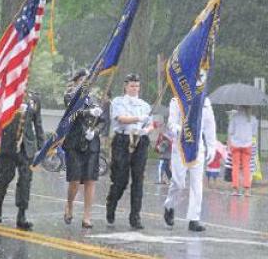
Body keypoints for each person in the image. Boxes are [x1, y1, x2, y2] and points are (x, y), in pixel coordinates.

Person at [106, 73, 153, 230]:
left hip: (140, 141)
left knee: (138, 180)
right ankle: (111, 203)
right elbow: (120, 118)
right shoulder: (118, 102)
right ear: (126, 86)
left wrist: (147, 128)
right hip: (123, 140)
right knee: (121, 179)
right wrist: (138, 119)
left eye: (137, 86)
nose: (135, 89)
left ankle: (135, 216)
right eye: (132, 85)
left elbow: (150, 125)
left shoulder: (145, 105)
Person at [0, 91, 45, 230]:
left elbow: (37, 123)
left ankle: (21, 215)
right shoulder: (5, 94)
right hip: (8, 144)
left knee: (25, 181)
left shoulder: (34, 98)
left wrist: (42, 146)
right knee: (5, 178)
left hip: (26, 146)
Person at [163, 97, 216, 232]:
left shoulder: (204, 101)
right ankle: (170, 205)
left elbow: (210, 125)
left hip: (197, 147)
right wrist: (182, 129)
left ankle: (194, 219)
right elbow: (171, 124)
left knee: (197, 184)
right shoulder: (177, 99)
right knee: (178, 182)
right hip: (180, 146)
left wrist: (211, 146)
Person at [62, 69, 104, 229]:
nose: (86, 83)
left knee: (90, 180)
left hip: (91, 143)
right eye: (83, 80)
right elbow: (72, 113)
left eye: (89, 80)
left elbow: (102, 120)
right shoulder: (70, 96)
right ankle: (70, 204)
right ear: (77, 81)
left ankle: (87, 216)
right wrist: (88, 112)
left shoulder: (94, 99)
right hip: (74, 142)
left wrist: (95, 131)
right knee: (74, 180)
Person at [228, 106, 257, 196]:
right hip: (247, 145)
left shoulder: (234, 117)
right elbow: (254, 133)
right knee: (246, 167)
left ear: (239, 107)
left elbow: (231, 131)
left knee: (235, 167)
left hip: (235, 145)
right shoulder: (253, 119)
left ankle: (235, 190)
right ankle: (247, 190)